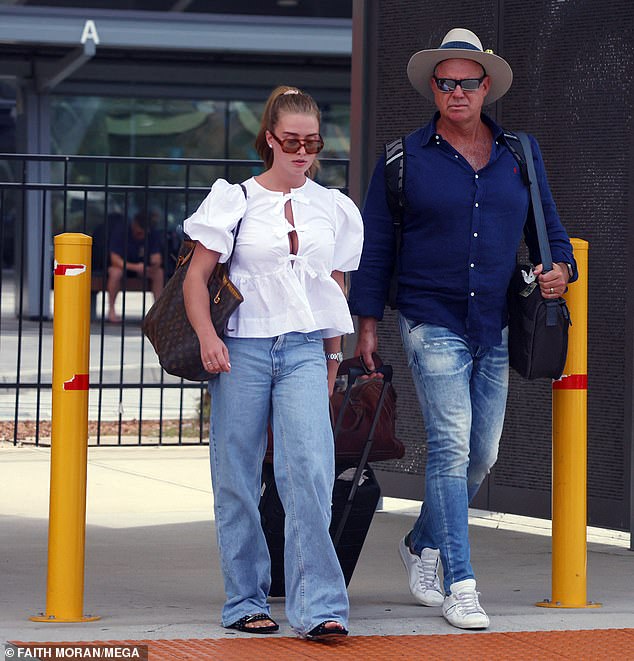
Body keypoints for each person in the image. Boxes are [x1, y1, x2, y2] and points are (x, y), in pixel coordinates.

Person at [348, 28, 577, 630]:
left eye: (467, 83)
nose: (456, 92)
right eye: (446, 82)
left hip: (495, 322)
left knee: (483, 452)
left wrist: (560, 270)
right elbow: (375, 249)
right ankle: (461, 581)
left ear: (486, 88)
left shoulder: (519, 154)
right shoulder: (404, 158)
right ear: (433, 88)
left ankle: (420, 541)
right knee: (451, 446)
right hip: (431, 319)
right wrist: (366, 325)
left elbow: (549, 230)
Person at [182, 86, 363, 639]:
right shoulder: (234, 199)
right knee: (235, 473)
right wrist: (209, 337)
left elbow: (335, 287)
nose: (303, 151)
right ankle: (245, 600)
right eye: (292, 140)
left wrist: (334, 357)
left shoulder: (333, 206)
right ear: (270, 139)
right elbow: (194, 279)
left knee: (308, 471)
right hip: (241, 350)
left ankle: (320, 608)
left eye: (313, 141)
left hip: (306, 348)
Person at [106, 212, 164, 322]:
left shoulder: (152, 234)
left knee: (159, 273)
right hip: (123, 267)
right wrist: (135, 267)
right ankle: (111, 310)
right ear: (134, 225)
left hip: (143, 268)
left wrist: (154, 263)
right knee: (115, 273)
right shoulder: (121, 232)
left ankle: (158, 313)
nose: (141, 236)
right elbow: (114, 260)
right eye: (139, 233)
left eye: (144, 234)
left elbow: (157, 257)